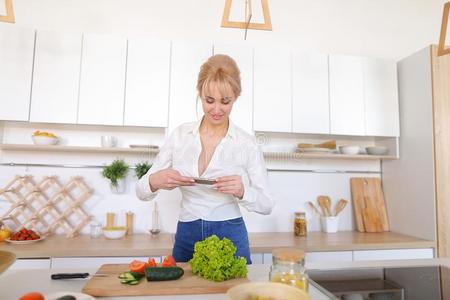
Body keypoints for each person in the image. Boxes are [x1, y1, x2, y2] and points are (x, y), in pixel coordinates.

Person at [136, 54, 274, 264]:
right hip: (186, 233)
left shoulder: (247, 143)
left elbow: (267, 204)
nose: (217, 110)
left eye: (225, 102)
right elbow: (141, 190)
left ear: (236, 97)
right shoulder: (180, 135)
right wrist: (156, 180)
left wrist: (242, 190)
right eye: (209, 100)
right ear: (200, 93)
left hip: (231, 233)